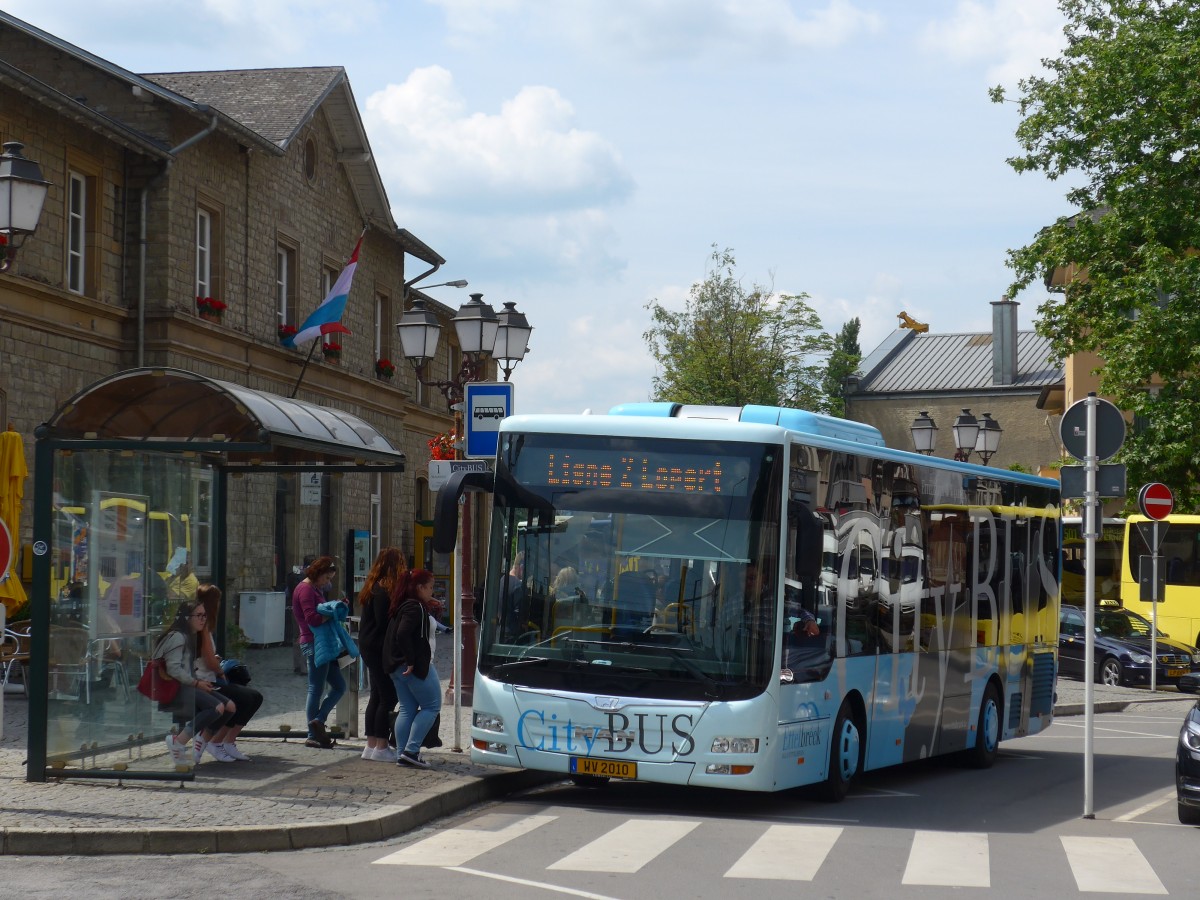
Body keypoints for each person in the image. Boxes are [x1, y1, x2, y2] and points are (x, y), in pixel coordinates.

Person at [155, 600, 234, 769]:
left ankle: (201, 741)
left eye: (204, 615)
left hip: (188, 684)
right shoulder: (178, 637)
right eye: (199, 615)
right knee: (216, 707)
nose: (203, 619)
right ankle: (178, 741)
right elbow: (174, 669)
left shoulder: (190, 636)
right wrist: (197, 683)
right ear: (186, 617)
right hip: (176, 687)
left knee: (229, 707)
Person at [192, 583, 263, 762]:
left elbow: (205, 657)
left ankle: (228, 742)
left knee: (254, 697)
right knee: (245, 699)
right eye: (218, 601)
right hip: (205, 681)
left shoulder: (203, 625)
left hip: (207, 677)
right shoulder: (202, 627)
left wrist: (215, 661)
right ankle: (215, 742)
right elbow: (209, 662)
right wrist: (220, 671)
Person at [384, 568, 443, 769]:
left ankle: (403, 754)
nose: (432, 591)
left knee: (407, 709)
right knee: (431, 706)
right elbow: (402, 634)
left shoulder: (402, 604)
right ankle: (411, 750)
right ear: (419, 587)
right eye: (430, 587)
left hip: (395, 667)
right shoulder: (414, 607)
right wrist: (410, 660)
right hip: (412, 666)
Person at [291, 556, 346, 748]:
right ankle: (312, 734)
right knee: (316, 688)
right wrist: (332, 613)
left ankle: (318, 721)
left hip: (323, 643)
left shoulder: (314, 588)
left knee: (339, 686)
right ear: (318, 573)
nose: (327, 582)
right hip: (314, 642)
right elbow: (312, 619)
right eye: (326, 578)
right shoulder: (306, 589)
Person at [357, 547, 405, 761]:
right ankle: (381, 746)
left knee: (376, 695)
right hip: (378, 647)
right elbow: (384, 622)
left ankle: (371, 745)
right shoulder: (383, 590)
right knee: (388, 696)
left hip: (369, 645)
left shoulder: (373, 586)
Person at [500, 553, 528, 642]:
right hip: (514, 635)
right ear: (521, 568)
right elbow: (520, 614)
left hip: (502, 631)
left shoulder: (503, 580)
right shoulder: (518, 585)